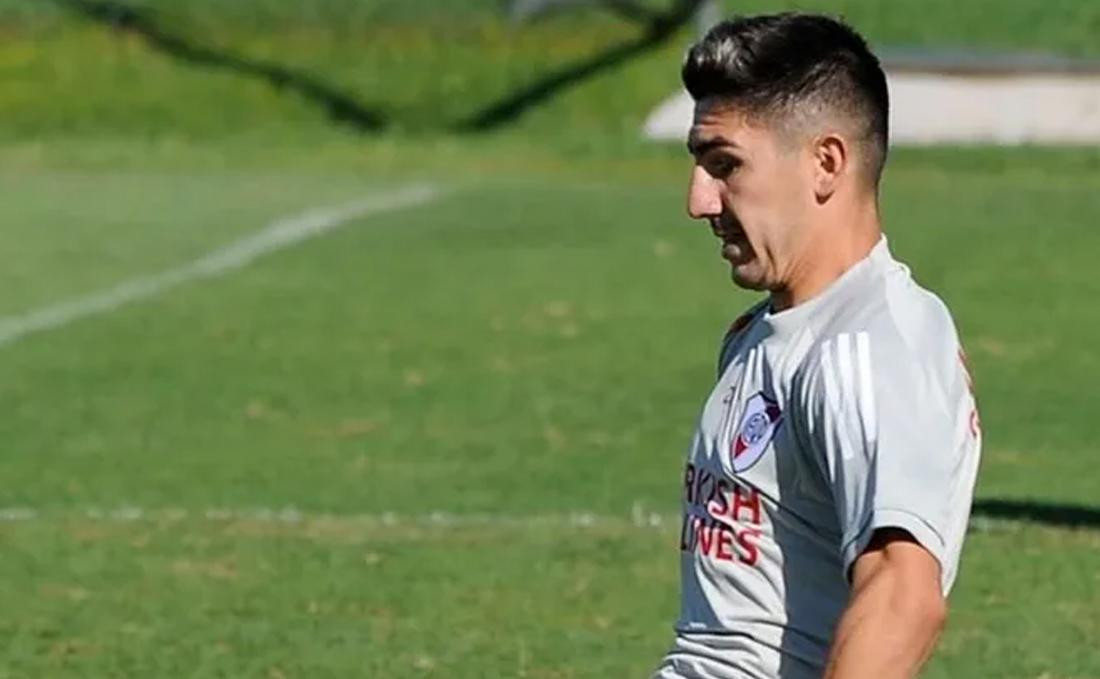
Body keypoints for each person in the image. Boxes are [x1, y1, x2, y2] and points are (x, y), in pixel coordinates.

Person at [652, 13, 982, 679]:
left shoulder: (867, 346)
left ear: (825, 162)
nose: (698, 200)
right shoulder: (768, 332)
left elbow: (902, 594)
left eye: (726, 165)